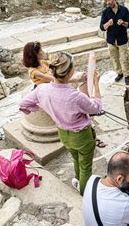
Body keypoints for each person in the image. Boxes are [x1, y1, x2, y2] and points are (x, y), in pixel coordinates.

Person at [19, 51, 101, 195]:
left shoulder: (41, 89)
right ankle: (85, 194)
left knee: (76, 158)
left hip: (63, 134)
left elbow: (23, 105)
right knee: (86, 166)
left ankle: (77, 179)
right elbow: (96, 108)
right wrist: (95, 83)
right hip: (82, 136)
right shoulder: (75, 96)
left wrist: (42, 107)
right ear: (70, 72)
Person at [100, 0, 129, 86]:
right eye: (106, 1)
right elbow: (102, 27)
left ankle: (127, 75)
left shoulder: (124, 10)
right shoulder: (105, 12)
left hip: (122, 40)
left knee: (125, 58)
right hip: (111, 40)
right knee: (115, 59)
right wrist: (108, 23)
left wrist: (123, 23)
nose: (108, 2)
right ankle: (120, 73)